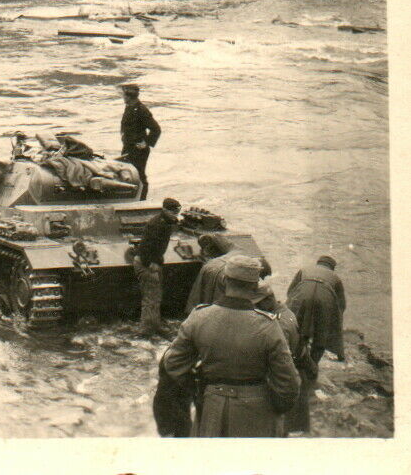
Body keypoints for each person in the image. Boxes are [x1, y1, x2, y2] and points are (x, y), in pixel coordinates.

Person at [160, 255, 301, 437]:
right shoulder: (268, 326)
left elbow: (172, 363)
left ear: (224, 281)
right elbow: (288, 383)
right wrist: (273, 408)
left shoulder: (199, 317)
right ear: (254, 287)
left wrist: (199, 390)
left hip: (212, 407)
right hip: (257, 413)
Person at [253, 283, 318, 435]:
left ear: (268, 300)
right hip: (296, 369)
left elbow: (279, 361)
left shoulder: (278, 323)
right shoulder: (285, 311)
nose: (254, 308)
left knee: (281, 428)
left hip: (286, 377)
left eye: (257, 304)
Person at [133, 198, 181, 336]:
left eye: (177, 212)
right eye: (173, 212)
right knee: (150, 298)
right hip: (146, 263)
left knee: (156, 296)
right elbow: (146, 247)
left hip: (154, 262)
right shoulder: (156, 224)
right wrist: (151, 264)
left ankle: (155, 325)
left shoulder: (165, 222)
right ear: (165, 210)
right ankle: (146, 331)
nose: (176, 215)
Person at [286, 255, 346, 365]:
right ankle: (312, 366)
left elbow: (290, 291)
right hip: (325, 298)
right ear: (332, 267)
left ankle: (294, 360)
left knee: (296, 329)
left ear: (318, 263)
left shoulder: (304, 270)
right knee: (320, 336)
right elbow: (341, 305)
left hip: (302, 294)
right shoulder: (336, 278)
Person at [118, 84, 160, 199]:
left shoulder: (141, 110)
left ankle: (141, 200)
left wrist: (146, 143)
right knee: (129, 173)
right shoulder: (130, 107)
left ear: (128, 96)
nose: (122, 97)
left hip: (138, 149)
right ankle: (132, 197)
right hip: (128, 147)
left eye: (124, 95)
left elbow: (156, 129)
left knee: (140, 176)